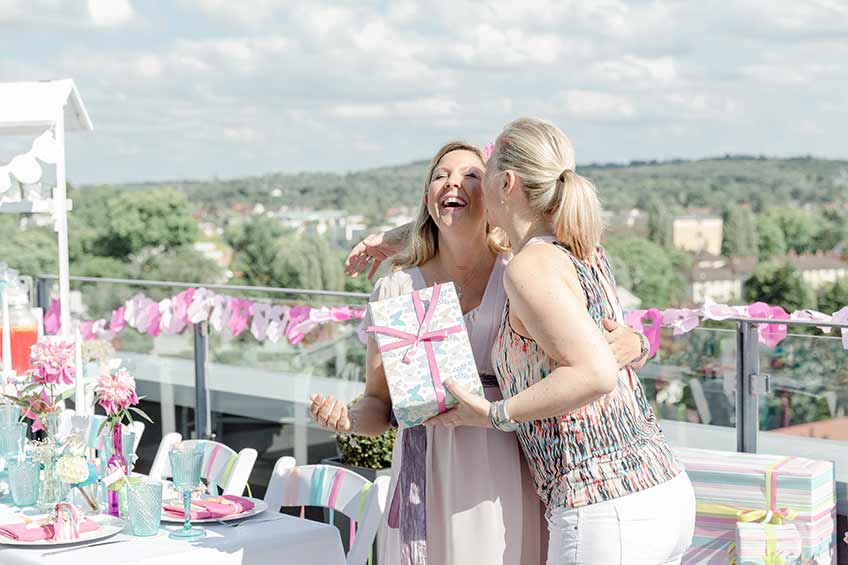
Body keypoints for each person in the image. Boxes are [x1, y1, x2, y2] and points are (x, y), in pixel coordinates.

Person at [425, 118, 696, 565]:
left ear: (506, 183)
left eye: (485, 173)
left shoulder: (528, 268)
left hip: (603, 505)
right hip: (660, 490)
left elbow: (595, 372)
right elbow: (609, 346)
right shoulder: (583, 247)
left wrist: (495, 413)